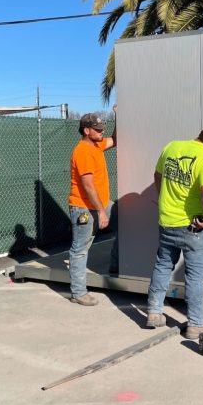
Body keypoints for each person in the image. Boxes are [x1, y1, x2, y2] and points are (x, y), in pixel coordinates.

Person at [146, 122, 203, 339]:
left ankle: (154, 313)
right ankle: (195, 325)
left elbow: (157, 176)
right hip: (193, 226)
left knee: (163, 265)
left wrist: (164, 199)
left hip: (167, 221)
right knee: (195, 276)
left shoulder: (172, 147)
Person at [68, 106, 118, 306]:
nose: (101, 132)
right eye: (97, 129)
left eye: (102, 128)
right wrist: (101, 212)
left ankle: (115, 264)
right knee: (80, 249)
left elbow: (115, 139)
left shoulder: (96, 146)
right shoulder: (82, 151)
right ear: (86, 130)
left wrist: (118, 115)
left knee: (126, 221)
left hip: (101, 204)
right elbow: (88, 186)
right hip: (84, 208)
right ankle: (78, 293)